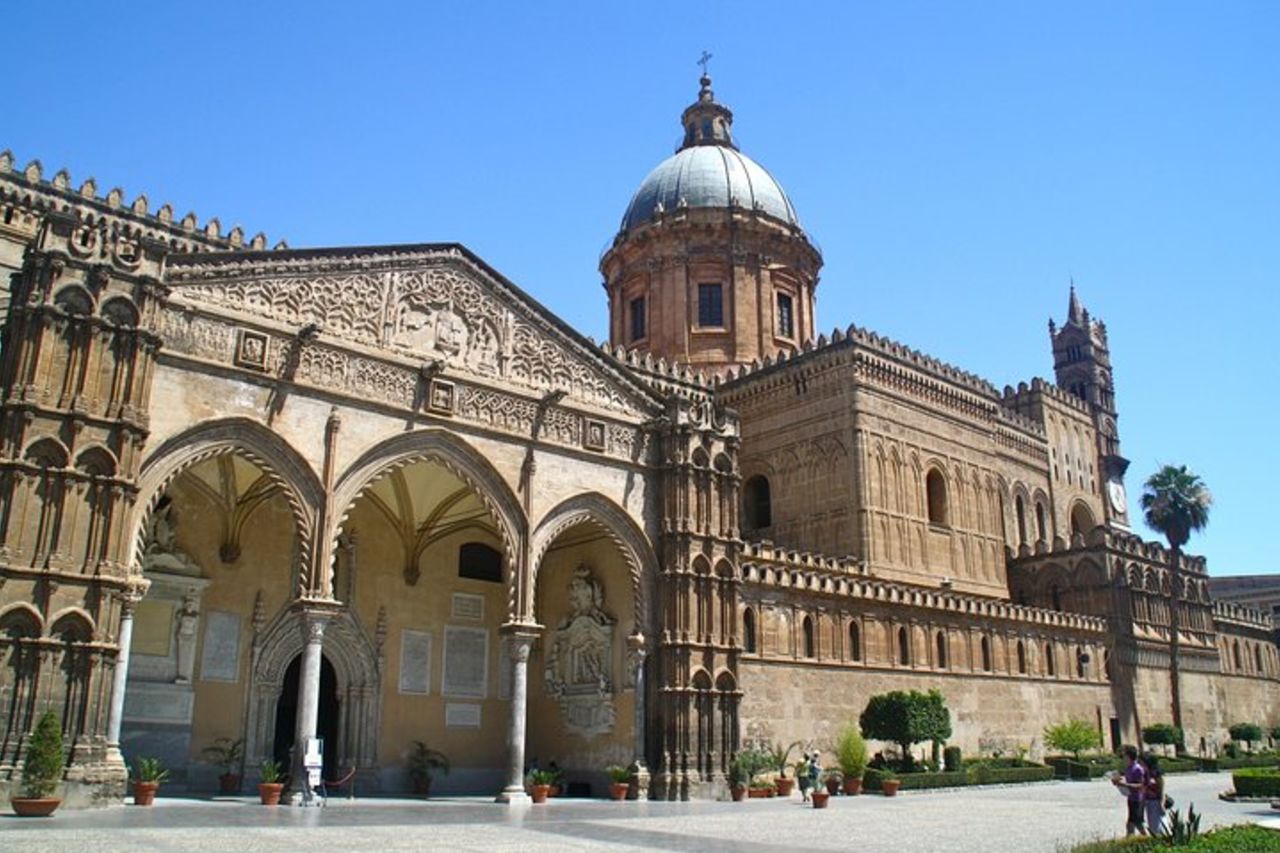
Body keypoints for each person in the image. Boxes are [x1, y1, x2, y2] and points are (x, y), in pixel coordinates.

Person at [1111, 746, 1147, 836]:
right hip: (1131, 798)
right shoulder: (1129, 768)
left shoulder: (1137, 769)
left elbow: (1141, 785)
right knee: (1133, 823)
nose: (1123, 757)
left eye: (1124, 755)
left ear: (1129, 756)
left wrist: (1124, 785)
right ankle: (1132, 840)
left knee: (1135, 823)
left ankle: (1146, 839)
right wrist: (1118, 781)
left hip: (1138, 799)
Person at [1142, 753, 1166, 836]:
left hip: (1156, 802)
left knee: (1159, 825)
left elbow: (1162, 790)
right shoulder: (1145, 774)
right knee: (1152, 825)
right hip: (1148, 802)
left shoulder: (1156, 774)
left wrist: (1162, 804)